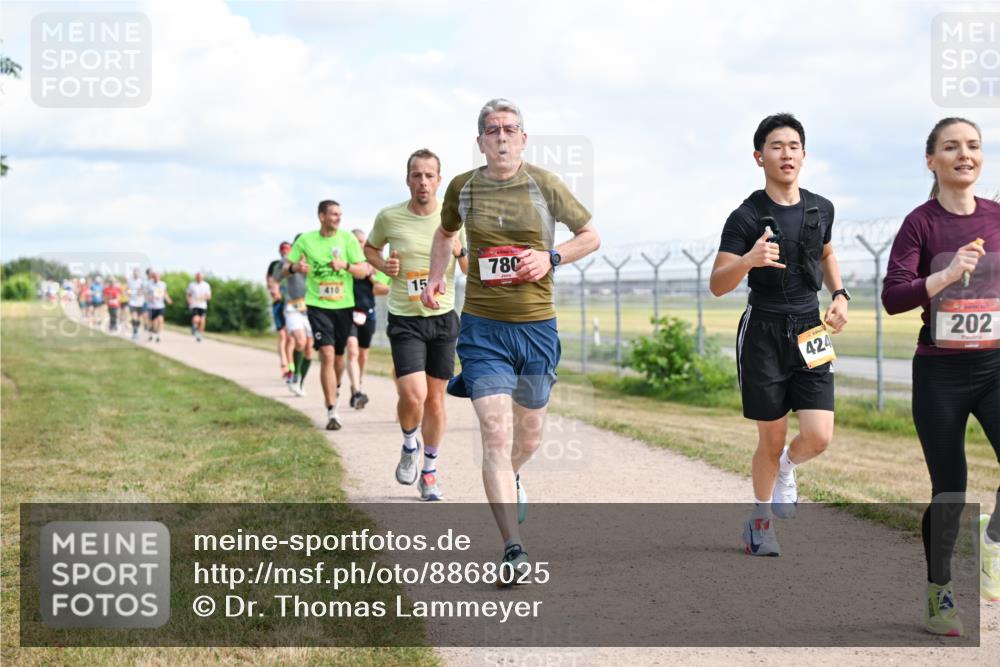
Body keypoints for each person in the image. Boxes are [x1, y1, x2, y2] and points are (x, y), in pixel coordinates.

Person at [421, 99, 600, 579]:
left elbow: (590, 236)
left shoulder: (545, 184)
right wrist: (438, 278)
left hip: (538, 328)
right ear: (479, 140)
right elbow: (444, 235)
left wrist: (552, 258)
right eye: (492, 130)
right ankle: (513, 548)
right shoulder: (462, 187)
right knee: (495, 433)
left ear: (523, 138)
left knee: (530, 434)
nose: (501, 136)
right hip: (483, 328)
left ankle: (514, 475)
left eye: (510, 129)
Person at [708, 113, 849, 558]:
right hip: (763, 329)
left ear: (803, 155)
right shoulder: (746, 215)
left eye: (793, 146)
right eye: (775, 146)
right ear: (759, 156)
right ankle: (760, 524)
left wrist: (840, 293)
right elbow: (717, 284)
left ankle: (790, 466)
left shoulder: (820, 207)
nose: (785, 154)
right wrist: (749, 259)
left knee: (819, 435)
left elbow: (825, 250)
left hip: (811, 327)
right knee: (770, 438)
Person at [882, 117, 1000, 637]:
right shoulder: (920, 224)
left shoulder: (998, 217)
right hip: (940, 373)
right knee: (950, 487)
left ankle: (992, 542)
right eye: (951, 147)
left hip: (996, 367)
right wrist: (948, 274)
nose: (964, 155)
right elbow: (893, 296)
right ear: (932, 160)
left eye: (973, 146)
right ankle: (940, 594)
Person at [365, 148, 468, 501]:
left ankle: (429, 472)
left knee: (436, 401)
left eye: (429, 175)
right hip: (406, 318)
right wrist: (383, 266)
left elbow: (469, 269)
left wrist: (460, 252)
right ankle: (410, 443)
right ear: (407, 178)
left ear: (439, 180)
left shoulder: (455, 218)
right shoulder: (389, 217)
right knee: (413, 395)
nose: (422, 181)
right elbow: (369, 249)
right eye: (416, 175)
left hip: (442, 318)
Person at [287, 200, 371, 430]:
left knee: (338, 359)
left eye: (340, 214)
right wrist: (296, 268)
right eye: (333, 214)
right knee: (326, 353)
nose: (338, 217)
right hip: (317, 305)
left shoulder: (347, 239)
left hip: (344, 306)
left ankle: (335, 387)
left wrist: (345, 266)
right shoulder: (306, 240)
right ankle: (332, 411)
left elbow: (363, 271)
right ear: (321, 216)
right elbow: (286, 268)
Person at [346, 228, 391, 410]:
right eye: (356, 241)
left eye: (363, 241)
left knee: (363, 354)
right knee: (352, 350)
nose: (360, 244)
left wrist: (370, 275)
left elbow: (382, 289)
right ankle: (356, 391)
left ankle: (358, 382)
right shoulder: (346, 265)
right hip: (347, 312)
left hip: (367, 313)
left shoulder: (374, 263)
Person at [281, 234, 314, 397]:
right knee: (300, 342)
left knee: (309, 349)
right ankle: (294, 374)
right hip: (293, 308)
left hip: (311, 309)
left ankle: (300, 381)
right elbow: (281, 273)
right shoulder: (288, 261)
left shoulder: (314, 260)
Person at [267, 243, 297, 386]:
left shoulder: (295, 263)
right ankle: (284, 364)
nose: (285, 252)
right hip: (280, 303)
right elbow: (271, 280)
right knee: (282, 335)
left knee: (291, 338)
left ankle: (291, 367)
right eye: (283, 250)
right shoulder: (275, 265)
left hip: (292, 303)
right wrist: (274, 290)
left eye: (287, 249)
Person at [145, 270, 172, 343]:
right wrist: (150, 298)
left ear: (159, 277)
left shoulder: (163, 284)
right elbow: (146, 295)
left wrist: (168, 299)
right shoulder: (149, 284)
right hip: (151, 306)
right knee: (152, 323)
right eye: (155, 277)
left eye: (157, 277)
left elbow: (165, 293)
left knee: (160, 320)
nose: (156, 278)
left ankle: (158, 336)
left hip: (160, 306)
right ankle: (151, 335)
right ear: (152, 277)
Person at [186, 272, 212, 342]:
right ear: (195, 277)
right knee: (196, 319)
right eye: (197, 277)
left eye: (200, 277)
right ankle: (194, 327)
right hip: (194, 305)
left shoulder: (206, 285)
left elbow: (209, 296)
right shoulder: (191, 285)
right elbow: (188, 294)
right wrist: (189, 301)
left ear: (202, 277)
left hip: (203, 305)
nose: (198, 278)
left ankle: (199, 334)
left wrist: (204, 297)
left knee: (202, 320)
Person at [127, 268, 146, 341]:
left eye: (137, 273)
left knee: (138, 318)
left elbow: (144, 290)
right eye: (135, 273)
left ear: (139, 274)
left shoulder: (142, 281)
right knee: (133, 317)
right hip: (132, 302)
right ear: (133, 274)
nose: (136, 274)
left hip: (140, 302)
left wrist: (141, 292)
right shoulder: (130, 281)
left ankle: (137, 330)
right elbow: (127, 289)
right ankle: (135, 332)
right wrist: (128, 292)